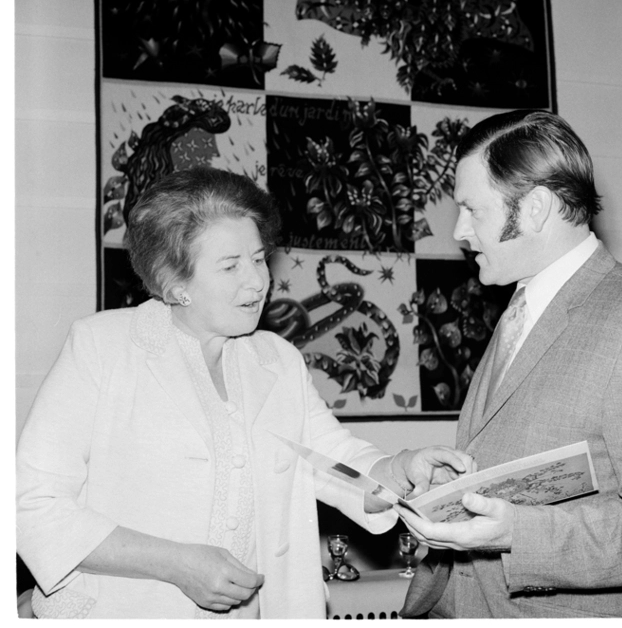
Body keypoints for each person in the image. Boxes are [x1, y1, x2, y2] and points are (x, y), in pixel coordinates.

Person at [16, 167, 474, 619]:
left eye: (258, 259)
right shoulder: (102, 347)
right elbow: (31, 505)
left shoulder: (276, 359)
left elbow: (332, 459)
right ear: (174, 283)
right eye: (231, 266)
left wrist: (401, 469)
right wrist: (176, 563)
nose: (257, 281)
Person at [398, 109, 622, 619]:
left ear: (535, 208)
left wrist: (517, 532)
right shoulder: (521, 306)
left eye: (473, 209)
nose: (461, 232)